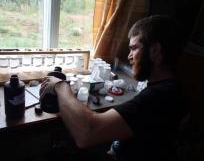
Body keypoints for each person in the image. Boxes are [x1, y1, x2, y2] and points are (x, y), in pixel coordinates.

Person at [40, 15, 189, 161]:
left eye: (134, 48)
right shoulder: (169, 88)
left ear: (155, 51)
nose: (129, 56)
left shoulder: (160, 96)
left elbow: (87, 134)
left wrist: (60, 86)